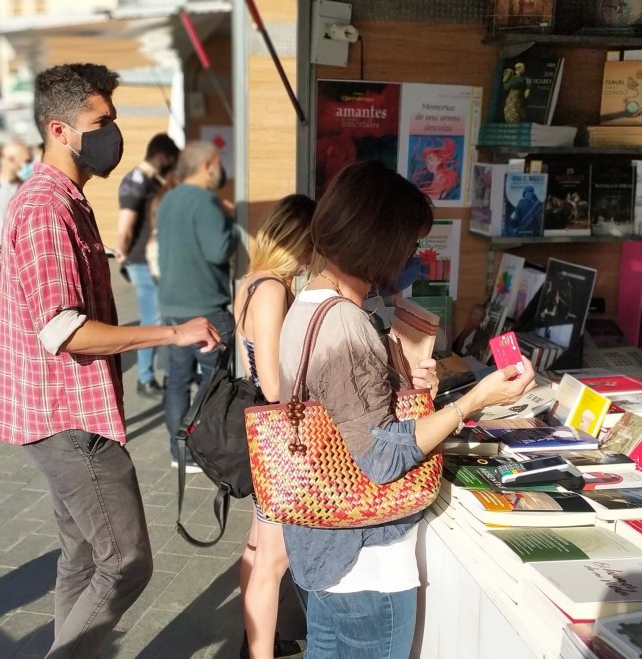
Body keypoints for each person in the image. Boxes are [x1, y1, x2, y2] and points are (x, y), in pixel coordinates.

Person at [0, 63, 219, 659]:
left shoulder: (67, 198)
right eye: (101, 122)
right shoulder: (47, 208)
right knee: (125, 562)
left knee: (83, 555)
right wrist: (171, 334)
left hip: (60, 411)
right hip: (67, 417)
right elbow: (63, 331)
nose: (112, 134)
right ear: (60, 129)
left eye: (113, 121)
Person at [277, 160, 535, 659]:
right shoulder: (346, 326)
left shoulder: (310, 304)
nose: (414, 255)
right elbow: (379, 459)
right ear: (381, 241)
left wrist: (409, 389)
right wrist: (475, 400)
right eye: (412, 243)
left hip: (326, 543)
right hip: (364, 561)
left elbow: (349, 420)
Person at [235, 194, 316, 659]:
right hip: (277, 438)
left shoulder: (251, 281)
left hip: (260, 435)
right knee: (274, 559)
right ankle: (260, 652)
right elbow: (271, 383)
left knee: (255, 550)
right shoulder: (272, 289)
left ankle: (255, 644)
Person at [157, 141, 236, 469]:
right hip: (207, 307)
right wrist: (231, 221)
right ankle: (197, 442)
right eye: (218, 162)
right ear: (207, 165)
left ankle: (180, 453)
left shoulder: (169, 200)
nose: (220, 170)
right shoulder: (207, 202)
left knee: (177, 378)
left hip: (173, 304)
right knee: (214, 380)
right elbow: (218, 251)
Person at [116, 133, 180, 399]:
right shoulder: (137, 182)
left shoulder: (150, 180)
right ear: (162, 157)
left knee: (157, 318)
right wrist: (121, 250)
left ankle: (154, 374)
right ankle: (144, 379)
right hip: (142, 262)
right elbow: (125, 226)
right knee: (151, 321)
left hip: (150, 261)